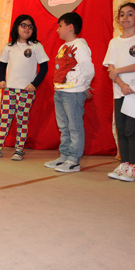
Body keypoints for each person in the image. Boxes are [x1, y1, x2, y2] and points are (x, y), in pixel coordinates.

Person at [0, 15, 49, 161]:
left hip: (26, 90)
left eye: (30, 26)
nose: (27, 29)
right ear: (16, 27)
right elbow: (2, 65)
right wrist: (1, 79)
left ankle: (19, 150)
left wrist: (34, 84)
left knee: (22, 120)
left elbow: (44, 67)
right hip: (10, 89)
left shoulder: (36, 46)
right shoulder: (9, 46)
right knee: (5, 119)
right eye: (23, 25)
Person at [103, 3, 135, 182]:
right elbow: (111, 70)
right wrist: (121, 84)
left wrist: (118, 72)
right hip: (120, 91)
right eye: (122, 14)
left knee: (132, 130)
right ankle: (124, 164)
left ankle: (133, 167)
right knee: (122, 130)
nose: (125, 17)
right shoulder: (114, 42)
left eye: (130, 14)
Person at [44, 12, 94, 172]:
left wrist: (85, 85)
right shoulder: (63, 47)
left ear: (70, 27)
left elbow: (88, 69)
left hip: (73, 93)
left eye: (60, 26)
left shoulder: (80, 46)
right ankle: (64, 156)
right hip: (60, 91)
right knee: (63, 127)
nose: (58, 29)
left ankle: (74, 160)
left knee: (75, 127)